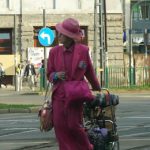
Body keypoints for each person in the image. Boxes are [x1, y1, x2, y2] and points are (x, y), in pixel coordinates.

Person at [47, 18, 101, 150]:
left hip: (75, 96)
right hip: (59, 96)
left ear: (69, 36)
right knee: (60, 127)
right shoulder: (54, 52)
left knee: (73, 125)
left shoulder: (83, 51)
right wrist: (56, 75)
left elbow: (89, 71)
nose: (58, 35)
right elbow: (49, 74)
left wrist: (97, 87)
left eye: (61, 33)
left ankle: (87, 147)